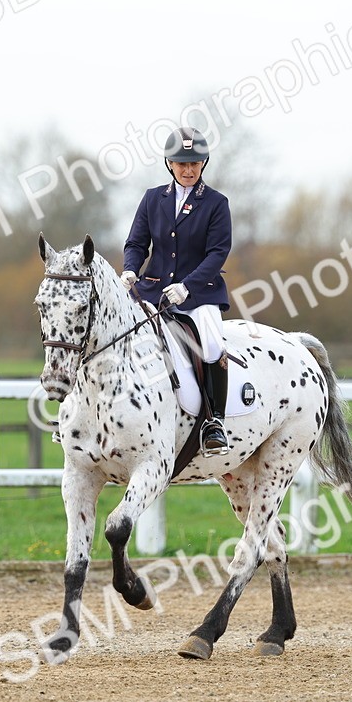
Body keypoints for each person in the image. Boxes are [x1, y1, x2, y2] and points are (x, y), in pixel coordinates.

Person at [121, 127, 232, 457]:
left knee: (212, 345)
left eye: (194, 163)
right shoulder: (154, 198)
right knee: (113, 332)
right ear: (169, 163)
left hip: (200, 294)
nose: (188, 170)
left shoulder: (215, 203)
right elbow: (137, 243)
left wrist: (188, 286)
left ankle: (214, 421)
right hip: (153, 290)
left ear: (204, 163)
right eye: (182, 164)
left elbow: (218, 253)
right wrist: (130, 269)